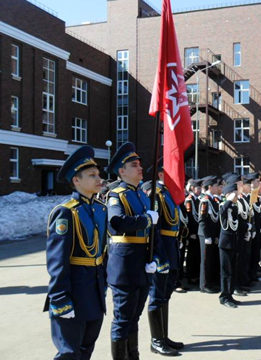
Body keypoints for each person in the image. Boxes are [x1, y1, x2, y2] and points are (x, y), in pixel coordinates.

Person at [44, 145, 108, 360]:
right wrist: (60, 298)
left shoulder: (100, 208)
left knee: (86, 348)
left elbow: (102, 251)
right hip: (74, 290)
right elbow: (57, 261)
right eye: (92, 175)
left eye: (98, 174)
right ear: (76, 181)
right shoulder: (66, 212)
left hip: (94, 289)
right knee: (69, 353)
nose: (99, 178)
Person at [104, 142, 164, 360]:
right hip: (125, 265)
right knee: (122, 319)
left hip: (142, 263)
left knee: (134, 317)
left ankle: (133, 356)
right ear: (122, 171)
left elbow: (153, 231)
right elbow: (116, 222)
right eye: (134, 165)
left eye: (140, 164)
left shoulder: (142, 195)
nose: (140, 168)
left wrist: (155, 256)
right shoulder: (116, 195)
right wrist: (146, 219)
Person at [142, 165, 184, 357]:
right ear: (160, 175)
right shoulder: (155, 194)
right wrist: (157, 255)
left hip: (172, 245)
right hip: (162, 247)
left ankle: (163, 335)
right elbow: (154, 227)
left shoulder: (167, 193)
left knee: (166, 294)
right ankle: (156, 340)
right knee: (157, 295)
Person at [218, 182, 243, 308]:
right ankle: (224, 297)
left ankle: (230, 294)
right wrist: (228, 200)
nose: (237, 196)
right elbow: (221, 215)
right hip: (225, 243)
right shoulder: (223, 205)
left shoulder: (234, 207)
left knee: (233, 270)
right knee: (226, 272)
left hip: (233, 241)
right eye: (235, 194)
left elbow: (236, 224)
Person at [198, 176, 221, 294]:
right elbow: (202, 220)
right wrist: (207, 236)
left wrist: (215, 236)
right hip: (205, 235)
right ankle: (204, 285)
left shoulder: (213, 200)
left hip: (211, 235)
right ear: (210, 187)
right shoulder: (205, 200)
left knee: (211, 259)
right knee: (205, 260)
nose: (218, 188)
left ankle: (210, 282)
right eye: (216, 186)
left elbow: (215, 220)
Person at [184, 179, 203, 286]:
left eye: (200, 188)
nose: (200, 190)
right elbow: (190, 218)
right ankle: (191, 276)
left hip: (198, 232)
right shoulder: (189, 200)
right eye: (198, 188)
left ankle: (196, 275)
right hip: (192, 233)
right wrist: (191, 232)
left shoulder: (198, 200)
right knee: (191, 255)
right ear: (192, 188)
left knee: (197, 255)